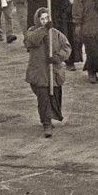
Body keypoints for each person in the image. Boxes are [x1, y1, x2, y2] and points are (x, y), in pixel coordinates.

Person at [24, 7, 72, 138]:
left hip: (53, 73)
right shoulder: (32, 32)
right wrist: (44, 30)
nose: (45, 21)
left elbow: (67, 48)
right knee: (43, 98)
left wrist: (58, 57)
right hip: (38, 73)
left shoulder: (56, 34)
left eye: (47, 18)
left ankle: (50, 118)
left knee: (53, 97)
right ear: (37, 20)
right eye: (42, 19)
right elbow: (31, 41)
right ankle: (46, 123)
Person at [50, 0, 83, 71]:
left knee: (75, 39)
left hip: (74, 17)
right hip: (62, 18)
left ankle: (74, 58)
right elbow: (54, 1)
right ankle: (68, 61)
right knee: (65, 39)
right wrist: (67, 1)